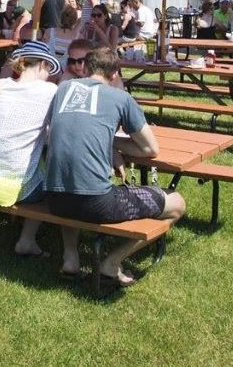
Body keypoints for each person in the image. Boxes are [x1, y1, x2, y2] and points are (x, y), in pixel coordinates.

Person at [44, 47, 186, 286]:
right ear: (114, 75)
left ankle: (70, 258)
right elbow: (150, 148)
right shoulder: (120, 98)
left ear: (85, 68)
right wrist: (113, 141)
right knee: (177, 203)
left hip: (55, 199)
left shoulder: (64, 89)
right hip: (97, 202)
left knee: (72, 181)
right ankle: (111, 263)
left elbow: (71, 130)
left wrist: (107, 142)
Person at [0, 41, 61, 253]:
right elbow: (54, 133)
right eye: (48, 68)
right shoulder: (50, 91)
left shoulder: (2, 86)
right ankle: (27, 239)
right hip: (24, 189)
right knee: (53, 176)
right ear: (42, 64)